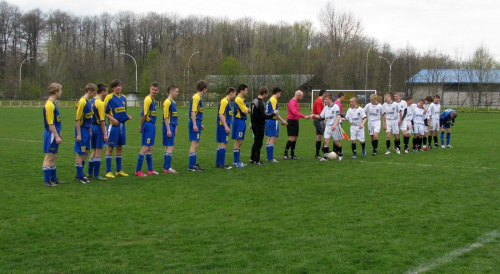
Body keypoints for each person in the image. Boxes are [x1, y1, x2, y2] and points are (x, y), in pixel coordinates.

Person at [104, 79, 132, 178]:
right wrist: (112, 119)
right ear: (113, 88)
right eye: (116, 86)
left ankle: (119, 170)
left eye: (119, 85)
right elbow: (104, 112)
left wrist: (127, 116)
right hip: (113, 126)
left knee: (120, 147)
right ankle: (108, 171)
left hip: (122, 126)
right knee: (110, 147)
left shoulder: (123, 98)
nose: (118, 87)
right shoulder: (109, 98)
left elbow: (123, 111)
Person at [135, 82, 159, 177]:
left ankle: (150, 170)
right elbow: (144, 115)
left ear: (158, 90)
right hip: (148, 125)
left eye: (155, 90)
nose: (154, 91)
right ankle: (138, 170)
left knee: (150, 148)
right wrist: (142, 126)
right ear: (150, 89)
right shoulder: (148, 100)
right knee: (145, 147)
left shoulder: (153, 100)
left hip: (152, 125)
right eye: (152, 89)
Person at [75, 83, 97, 184]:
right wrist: (79, 134)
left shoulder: (88, 101)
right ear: (89, 91)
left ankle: (80, 172)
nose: (95, 95)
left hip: (87, 129)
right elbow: (78, 119)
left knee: (87, 150)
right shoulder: (82, 102)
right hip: (82, 130)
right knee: (81, 152)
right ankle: (80, 176)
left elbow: (88, 118)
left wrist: (90, 130)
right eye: (94, 93)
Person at [42, 83, 64, 187]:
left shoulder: (53, 103)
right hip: (51, 134)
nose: (61, 92)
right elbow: (50, 123)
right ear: (56, 91)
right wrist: (56, 135)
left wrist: (59, 133)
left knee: (53, 156)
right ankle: (47, 181)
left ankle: (54, 179)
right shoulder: (49, 105)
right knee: (49, 157)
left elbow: (56, 121)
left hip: (55, 132)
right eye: (60, 90)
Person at [87, 83, 109, 181]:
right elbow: (102, 120)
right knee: (99, 150)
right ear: (103, 91)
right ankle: (96, 174)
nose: (107, 93)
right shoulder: (100, 103)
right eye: (107, 91)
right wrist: (105, 133)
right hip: (98, 128)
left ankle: (89, 172)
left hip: (91, 126)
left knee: (94, 150)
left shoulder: (91, 101)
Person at [312, 93, 343, 161]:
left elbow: (338, 116)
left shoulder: (336, 107)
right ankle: (325, 157)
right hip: (328, 126)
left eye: (326, 99)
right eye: (324, 99)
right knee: (326, 140)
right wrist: (313, 115)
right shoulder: (325, 108)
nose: (325, 101)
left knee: (336, 142)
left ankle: (341, 155)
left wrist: (335, 125)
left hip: (335, 126)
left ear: (330, 99)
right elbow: (321, 116)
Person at [250, 86, 276, 165]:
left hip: (254, 124)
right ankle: (257, 160)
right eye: (267, 94)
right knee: (259, 142)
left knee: (255, 142)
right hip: (259, 125)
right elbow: (263, 116)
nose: (267, 95)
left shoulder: (254, 101)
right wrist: (272, 115)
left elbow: (251, 114)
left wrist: (252, 123)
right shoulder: (260, 103)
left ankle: (252, 158)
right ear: (264, 93)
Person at [283, 89, 312, 160]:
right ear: (298, 95)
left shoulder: (296, 102)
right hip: (291, 121)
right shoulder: (292, 102)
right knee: (291, 138)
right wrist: (304, 116)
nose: (302, 98)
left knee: (295, 138)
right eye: (301, 96)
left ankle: (292, 154)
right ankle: (285, 154)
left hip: (295, 121)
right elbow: (294, 112)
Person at [188, 80, 208, 171]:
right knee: (194, 143)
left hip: (197, 121)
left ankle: (193, 164)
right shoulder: (196, 97)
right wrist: (195, 124)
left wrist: (200, 124)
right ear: (204, 89)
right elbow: (193, 111)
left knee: (196, 144)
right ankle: (191, 166)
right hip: (194, 122)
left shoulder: (198, 97)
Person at [265, 87, 288, 163]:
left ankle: (268, 157)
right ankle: (270, 158)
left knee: (269, 138)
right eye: (280, 94)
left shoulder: (269, 99)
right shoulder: (274, 100)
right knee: (273, 138)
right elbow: (275, 113)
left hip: (267, 120)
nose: (280, 95)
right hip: (272, 120)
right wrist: (283, 121)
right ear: (277, 92)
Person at [215, 87, 236, 169]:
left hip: (222, 125)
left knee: (221, 144)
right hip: (223, 126)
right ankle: (222, 164)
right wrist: (226, 126)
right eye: (234, 93)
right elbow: (221, 114)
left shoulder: (226, 101)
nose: (235, 95)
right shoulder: (224, 101)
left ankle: (218, 163)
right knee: (224, 143)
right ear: (231, 93)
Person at [231, 84, 250, 168]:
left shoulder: (243, 100)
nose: (247, 91)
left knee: (240, 141)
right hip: (238, 121)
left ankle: (237, 161)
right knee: (238, 141)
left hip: (242, 121)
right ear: (241, 90)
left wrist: (248, 110)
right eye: (246, 90)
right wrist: (247, 110)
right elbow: (246, 111)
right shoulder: (238, 99)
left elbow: (249, 109)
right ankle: (236, 161)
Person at [162, 85, 179, 173]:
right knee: (170, 146)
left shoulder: (173, 102)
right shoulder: (167, 102)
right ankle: (167, 168)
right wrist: (168, 129)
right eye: (176, 91)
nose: (177, 93)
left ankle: (165, 167)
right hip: (168, 126)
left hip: (172, 126)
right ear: (171, 91)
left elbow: (174, 116)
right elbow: (166, 116)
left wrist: (175, 127)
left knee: (168, 146)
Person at [312, 89, 326, 159]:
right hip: (318, 120)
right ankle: (324, 149)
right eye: (325, 94)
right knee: (326, 135)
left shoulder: (320, 101)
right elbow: (319, 112)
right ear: (323, 94)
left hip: (318, 120)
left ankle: (317, 154)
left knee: (319, 137)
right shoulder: (318, 101)